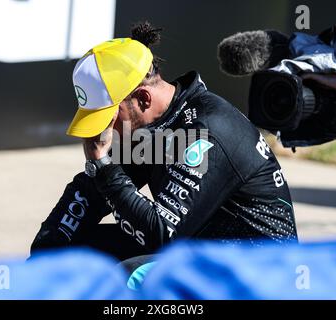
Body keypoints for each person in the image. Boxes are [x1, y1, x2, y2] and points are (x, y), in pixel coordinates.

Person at [30, 22, 298, 263]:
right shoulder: (155, 123)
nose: (106, 128)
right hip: (205, 255)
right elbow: (91, 192)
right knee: (70, 253)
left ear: (143, 99)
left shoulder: (205, 130)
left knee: (134, 274)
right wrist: (46, 251)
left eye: (109, 115)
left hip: (260, 274)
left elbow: (160, 236)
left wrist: (102, 164)